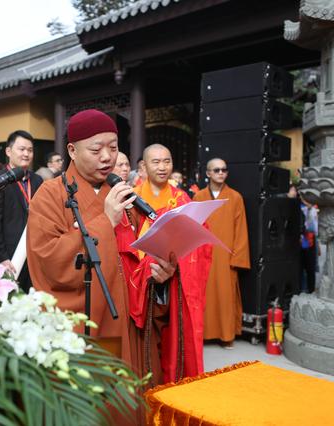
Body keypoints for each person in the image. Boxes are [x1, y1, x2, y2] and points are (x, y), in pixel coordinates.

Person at [27, 110, 178, 388]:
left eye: (114, 147)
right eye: (96, 149)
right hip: (88, 325)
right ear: (72, 150)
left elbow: (134, 260)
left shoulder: (122, 194)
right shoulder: (50, 195)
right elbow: (49, 261)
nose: (107, 157)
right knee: (98, 403)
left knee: (130, 399)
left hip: (131, 323)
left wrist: (158, 273)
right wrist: (105, 221)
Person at [133, 143, 212, 383]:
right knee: (145, 342)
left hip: (175, 280)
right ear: (144, 167)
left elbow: (200, 240)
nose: (162, 167)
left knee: (173, 338)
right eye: (155, 162)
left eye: (166, 161)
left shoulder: (182, 198)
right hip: (144, 279)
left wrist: (180, 260)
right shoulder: (131, 198)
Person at [194, 158, 250, 348]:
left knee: (226, 297)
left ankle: (227, 336)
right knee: (204, 296)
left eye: (224, 170)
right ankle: (202, 335)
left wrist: (238, 256)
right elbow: (192, 227)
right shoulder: (199, 197)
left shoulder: (235, 197)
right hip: (204, 255)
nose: (221, 173)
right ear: (208, 173)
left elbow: (241, 229)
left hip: (226, 256)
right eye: (216, 170)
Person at [0, 130, 43, 291]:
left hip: (34, 253)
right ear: (8, 151)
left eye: (30, 150)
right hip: (9, 255)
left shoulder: (37, 179)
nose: (26, 154)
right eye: (22, 149)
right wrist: (2, 257)